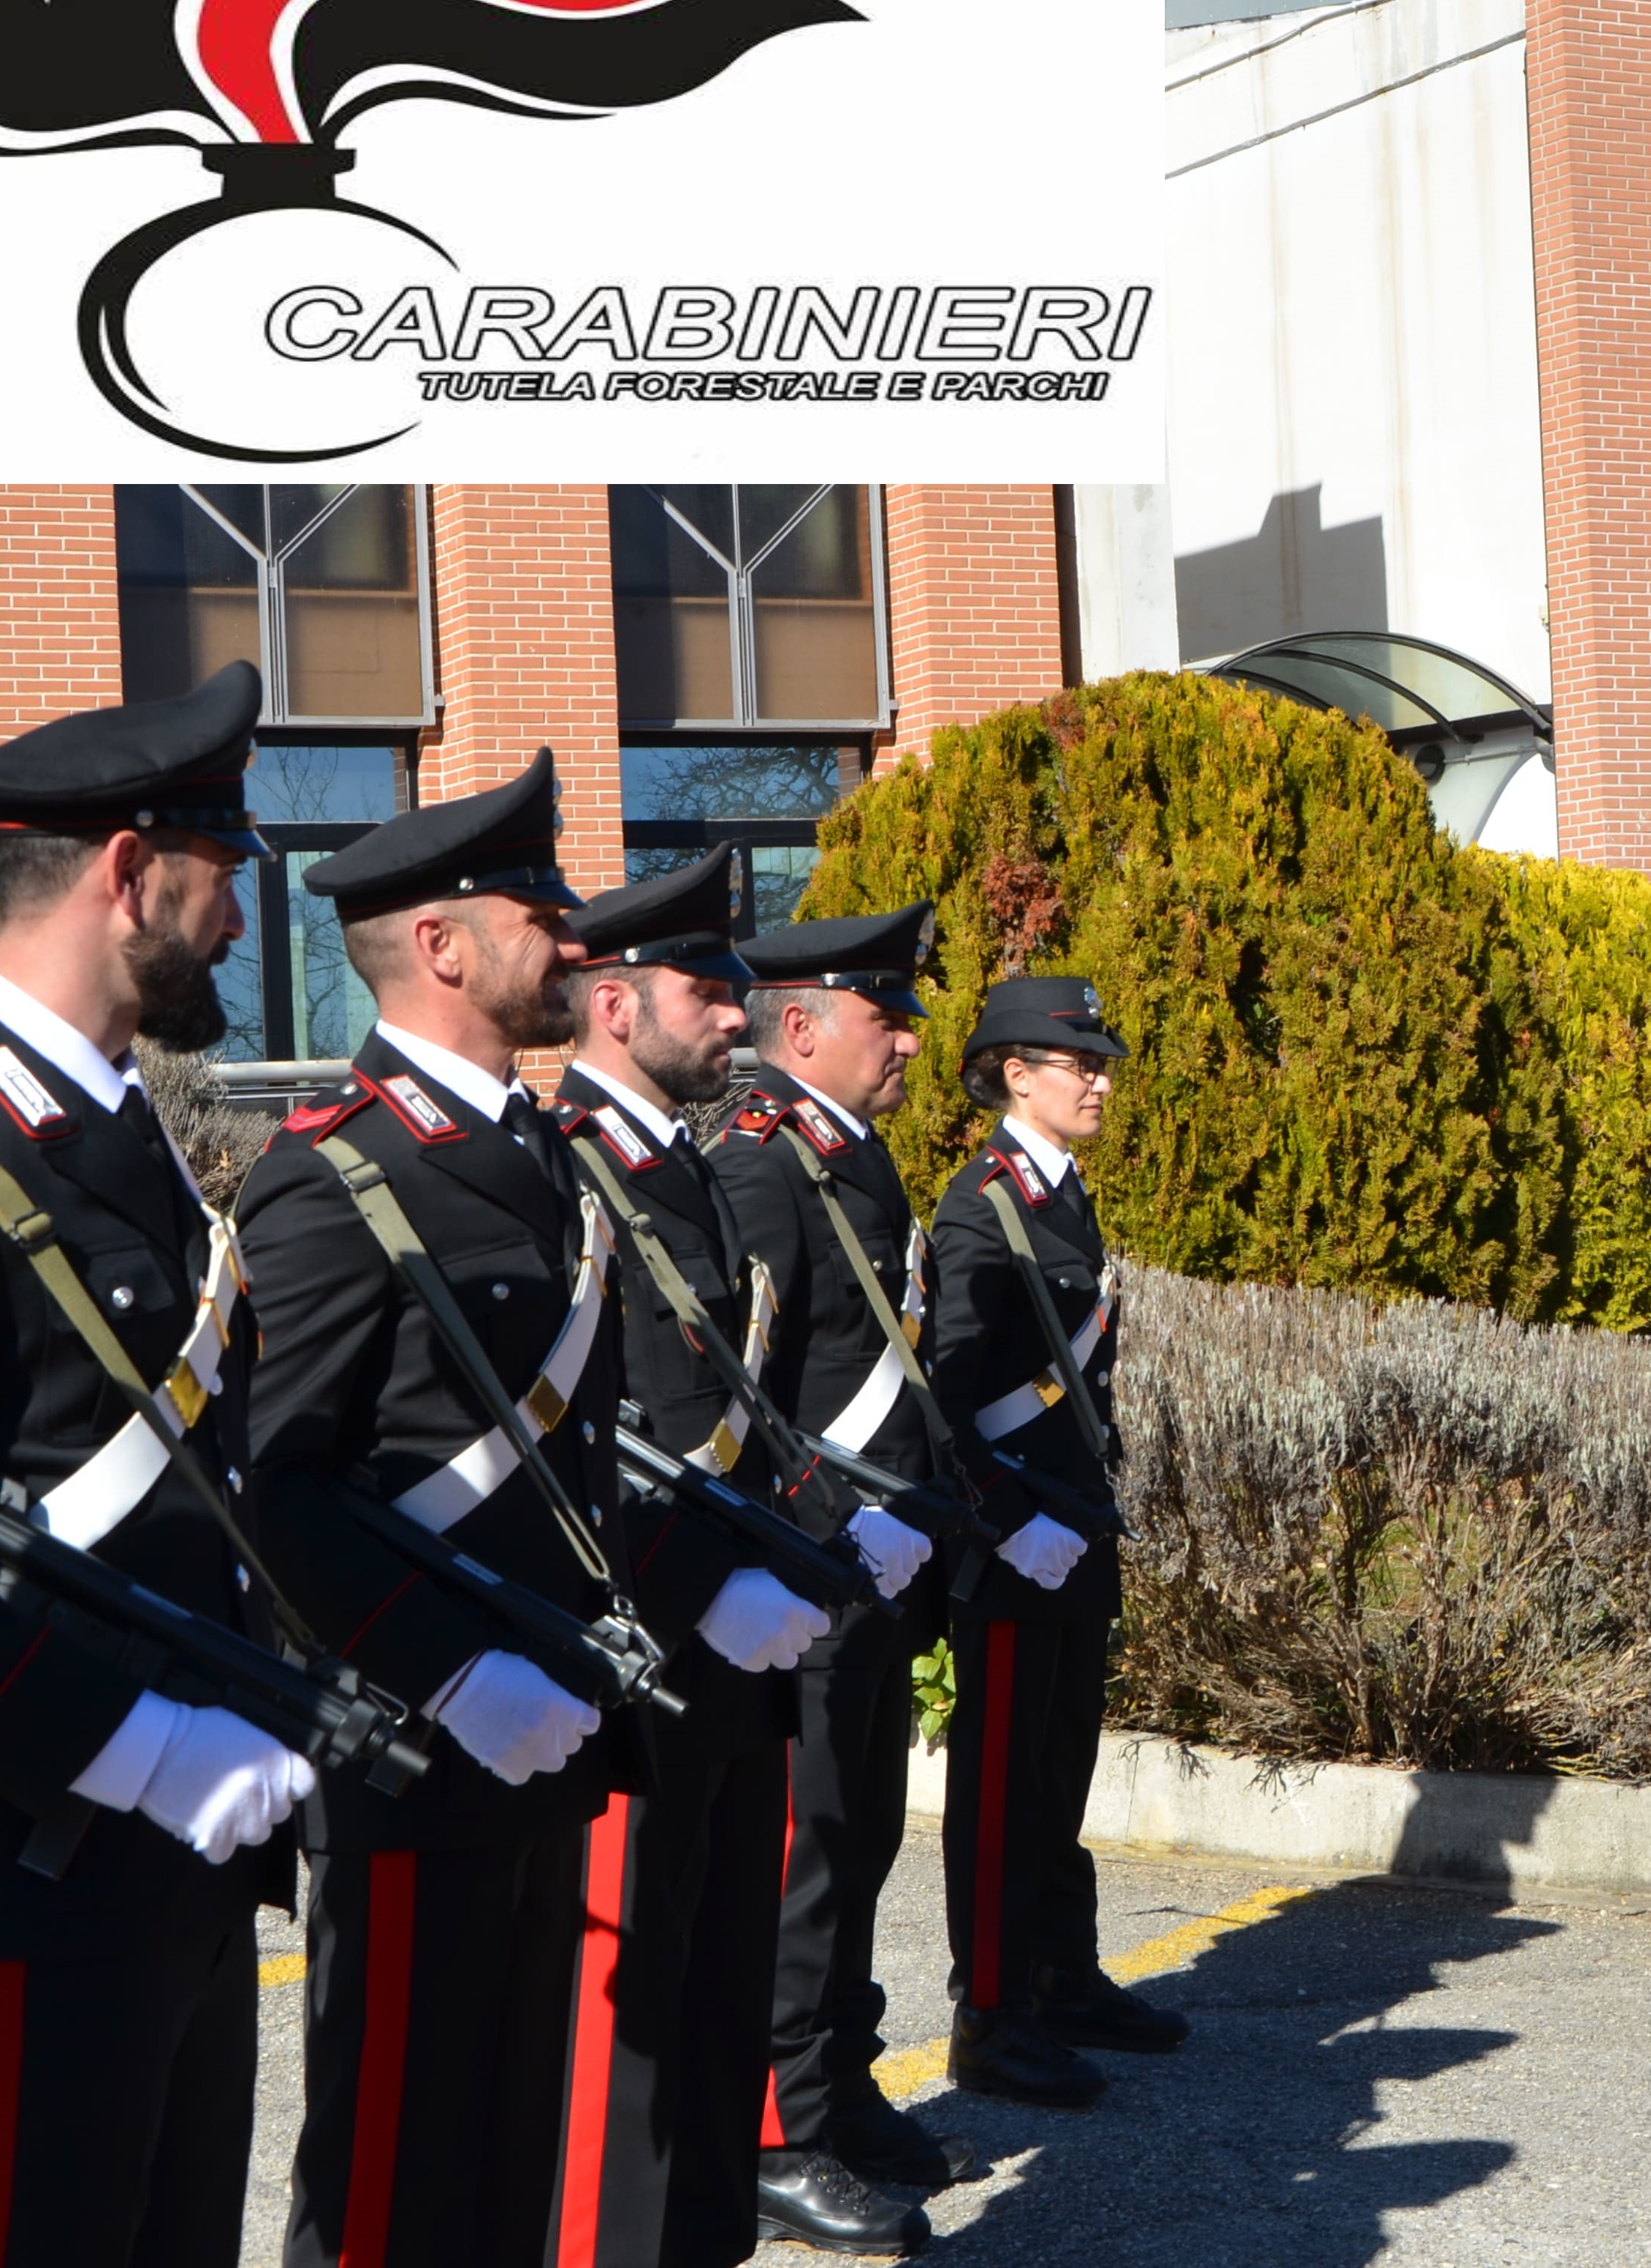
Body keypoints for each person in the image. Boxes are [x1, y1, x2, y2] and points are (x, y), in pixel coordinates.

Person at [0, 665, 313, 2265]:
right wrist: (143, 1748)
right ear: (133, 872)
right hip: (18, 1866)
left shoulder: (115, 1131)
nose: (242, 929)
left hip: (169, 1875)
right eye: (224, 880)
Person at [240, 749, 640, 2268]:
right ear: (443, 945)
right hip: (422, 1744)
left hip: (545, 1724)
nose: (573, 938)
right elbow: (282, 1488)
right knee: (394, 2169)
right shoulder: (332, 1178)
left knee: (503, 2153)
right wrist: (455, 1671)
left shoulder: (533, 1150)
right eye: (538, 909)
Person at [549, 846, 899, 2264]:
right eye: (707, 986)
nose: (734, 1011)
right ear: (618, 1005)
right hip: (648, 1643)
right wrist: (718, 1581)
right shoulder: (567, 1161)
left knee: (710, 1983)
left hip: (733, 1639)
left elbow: (738, 1403)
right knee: (628, 2020)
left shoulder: (676, 1164)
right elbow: (592, 1436)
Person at [713, 904, 974, 2211]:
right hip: (818, 1570)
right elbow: (738, 1391)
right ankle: (778, 2123)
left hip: (879, 1566)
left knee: (862, 1836)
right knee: (803, 1854)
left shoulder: (852, 1154)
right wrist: (827, 1529)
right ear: (801, 1026)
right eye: (888, 1014)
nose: (914, 1038)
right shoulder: (761, 1159)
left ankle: (840, 2076)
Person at [923, 974, 1184, 2108]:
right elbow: (943, 1396)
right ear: (1013, 1072)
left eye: (1102, 1063)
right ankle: (988, 2012)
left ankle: (1058, 1972)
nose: (1102, 1081)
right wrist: (1009, 1521)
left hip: (1074, 1525)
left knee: (1062, 1764)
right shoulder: (983, 1204)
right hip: (1018, 1537)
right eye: (1079, 1063)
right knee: (1001, 1784)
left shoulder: (1060, 1195)